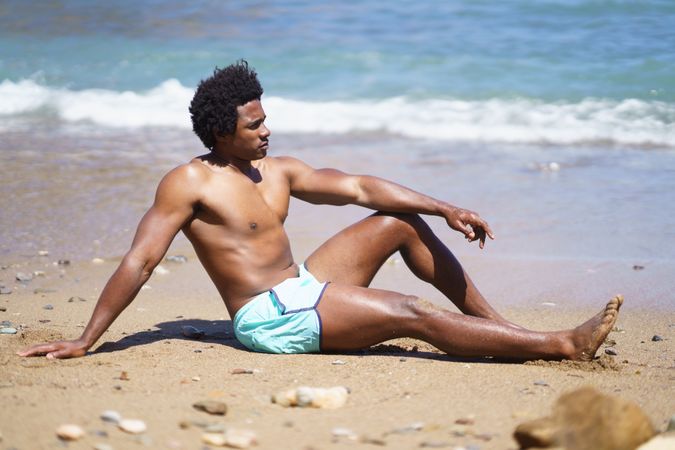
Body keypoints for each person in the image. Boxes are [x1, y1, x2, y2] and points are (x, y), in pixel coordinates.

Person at [19, 61, 622, 360]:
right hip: (267, 318)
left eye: (265, 119)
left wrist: (444, 207)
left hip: (302, 286)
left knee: (397, 224)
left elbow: (359, 186)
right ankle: (559, 346)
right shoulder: (188, 182)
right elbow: (141, 261)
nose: (266, 131)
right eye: (254, 125)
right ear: (220, 131)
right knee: (408, 312)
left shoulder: (276, 170)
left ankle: (507, 332)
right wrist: (85, 340)